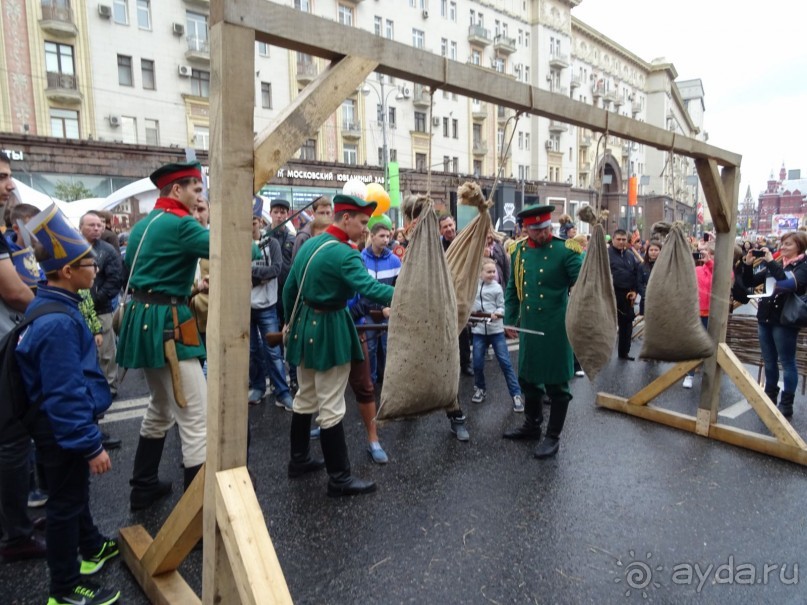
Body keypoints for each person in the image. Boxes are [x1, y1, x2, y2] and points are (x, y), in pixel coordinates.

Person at [16, 205, 120, 605]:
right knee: (64, 505)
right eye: (86, 263)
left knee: (73, 496)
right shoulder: (58, 322)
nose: (94, 267)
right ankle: (64, 588)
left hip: (51, 427)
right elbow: (64, 392)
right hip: (59, 430)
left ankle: (92, 547)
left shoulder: (51, 303)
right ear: (65, 271)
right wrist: (90, 444)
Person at [284, 194, 394, 497]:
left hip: (304, 326)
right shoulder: (346, 253)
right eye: (361, 223)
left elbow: (290, 288)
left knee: (305, 397)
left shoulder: (310, 244)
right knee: (331, 405)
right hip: (330, 327)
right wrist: (402, 295)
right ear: (345, 219)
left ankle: (299, 459)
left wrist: (288, 323)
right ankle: (340, 478)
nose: (364, 230)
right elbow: (368, 288)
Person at [116, 162, 209, 510]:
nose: (199, 197)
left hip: (143, 318)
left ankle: (143, 486)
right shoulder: (181, 224)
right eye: (196, 190)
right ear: (176, 190)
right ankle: (196, 518)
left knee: (159, 407)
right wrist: (255, 242)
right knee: (197, 420)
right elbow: (235, 250)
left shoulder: (143, 225)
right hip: (168, 323)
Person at [502, 204, 582, 459]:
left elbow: (584, 284)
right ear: (526, 229)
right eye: (536, 230)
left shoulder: (566, 250)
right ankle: (532, 426)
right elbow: (513, 290)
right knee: (528, 378)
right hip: (529, 325)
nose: (542, 233)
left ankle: (553, 436)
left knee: (557, 383)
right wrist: (509, 319)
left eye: (546, 228)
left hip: (557, 326)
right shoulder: (518, 250)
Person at [742, 231, 807, 417]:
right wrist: (747, 264)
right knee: (769, 361)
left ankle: (787, 403)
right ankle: (770, 397)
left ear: (799, 246)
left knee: (787, 362)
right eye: (782, 243)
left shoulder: (803, 266)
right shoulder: (777, 262)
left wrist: (770, 262)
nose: (783, 247)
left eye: (788, 244)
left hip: (785, 320)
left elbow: (787, 283)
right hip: (766, 317)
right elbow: (750, 281)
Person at [248, 201, 291, 409]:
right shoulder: (240, 244)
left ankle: (282, 391)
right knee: (252, 350)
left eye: (254, 222)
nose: (251, 226)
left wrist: (253, 276)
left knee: (273, 351)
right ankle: (258, 387)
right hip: (245, 308)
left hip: (267, 306)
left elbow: (275, 269)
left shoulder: (270, 244)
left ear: (260, 221)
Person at [79, 211, 123, 399]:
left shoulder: (107, 250)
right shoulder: (73, 248)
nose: (97, 228)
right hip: (77, 309)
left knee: (106, 353)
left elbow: (115, 279)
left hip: (102, 309)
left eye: (99, 225)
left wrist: (96, 299)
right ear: (81, 227)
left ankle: (110, 388)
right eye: (91, 225)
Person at [470, 258, 524, 412]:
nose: (492, 274)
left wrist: (497, 313)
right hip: (479, 331)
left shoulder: (497, 288)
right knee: (477, 364)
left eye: (493, 271)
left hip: (496, 331)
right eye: (488, 272)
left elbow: (502, 306)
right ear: (480, 273)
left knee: (505, 363)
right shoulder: (473, 286)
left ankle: (516, 394)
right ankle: (480, 388)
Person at [358, 220, 400, 384]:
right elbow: (360, 291)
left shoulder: (395, 260)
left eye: (388, 236)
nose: (386, 239)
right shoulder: (360, 259)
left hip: (389, 312)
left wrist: (387, 307)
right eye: (381, 236)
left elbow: (398, 289)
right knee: (370, 349)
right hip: (367, 312)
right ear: (372, 236)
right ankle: (371, 381)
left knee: (389, 349)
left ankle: (390, 383)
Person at [439, 214, 473, 377]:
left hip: (461, 292)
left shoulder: (464, 242)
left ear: (455, 225)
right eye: (445, 226)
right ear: (440, 230)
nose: (449, 229)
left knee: (463, 330)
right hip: (444, 293)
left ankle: (465, 363)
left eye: (450, 225)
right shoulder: (438, 247)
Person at [683, 243, 714, 389]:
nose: (706, 257)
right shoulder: (696, 269)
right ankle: (689, 374)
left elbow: (728, 276)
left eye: (710, 254)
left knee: (711, 346)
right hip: (696, 312)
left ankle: (709, 375)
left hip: (714, 314)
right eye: (704, 254)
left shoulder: (720, 271)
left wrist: (710, 263)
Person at [608, 228, 641, 360]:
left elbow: (635, 274)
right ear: (613, 239)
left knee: (627, 325)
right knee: (607, 325)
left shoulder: (629, 255)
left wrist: (634, 291)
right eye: (619, 239)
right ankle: (603, 354)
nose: (621, 242)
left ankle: (624, 353)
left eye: (624, 240)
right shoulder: (606, 254)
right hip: (611, 294)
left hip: (627, 295)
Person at [638, 240, 661, 316]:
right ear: (647, 251)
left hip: (661, 302)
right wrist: (646, 295)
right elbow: (639, 283)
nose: (653, 252)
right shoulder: (642, 266)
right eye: (651, 250)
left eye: (656, 250)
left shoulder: (665, 266)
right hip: (646, 301)